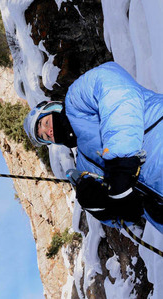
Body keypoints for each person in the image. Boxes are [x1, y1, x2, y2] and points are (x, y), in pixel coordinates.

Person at [23, 61, 162, 232]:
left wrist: (121, 160)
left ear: (54, 108)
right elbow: (121, 216)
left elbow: (114, 87)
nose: (48, 131)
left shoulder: (76, 101)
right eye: (44, 136)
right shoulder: (84, 166)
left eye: (45, 122)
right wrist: (103, 208)